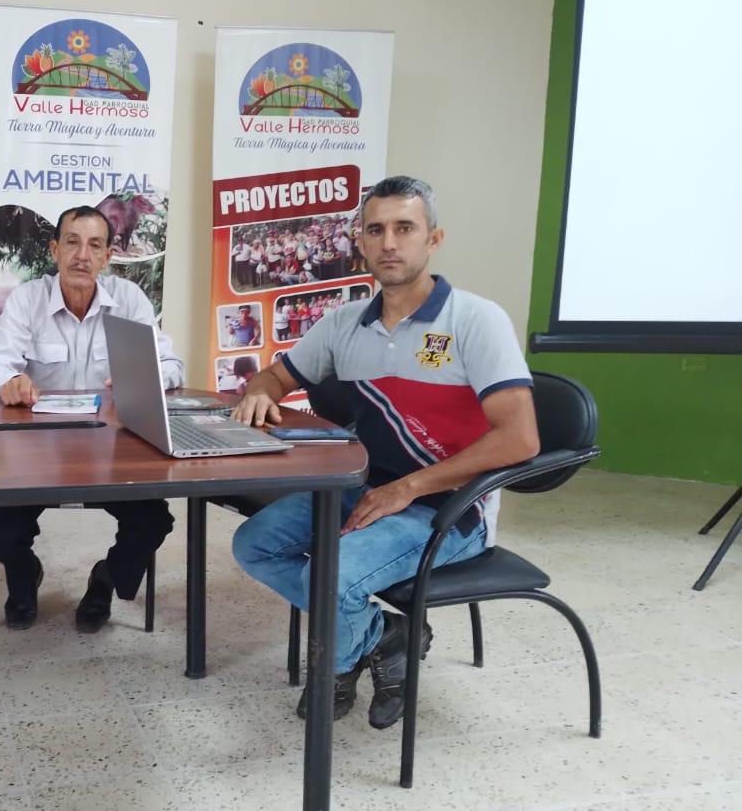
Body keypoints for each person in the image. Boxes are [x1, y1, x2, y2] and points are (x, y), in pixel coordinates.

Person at [230, 175, 538, 730]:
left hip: (450, 509)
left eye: (405, 228)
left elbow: (520, 438)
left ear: (433, 239)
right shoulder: (344, 323)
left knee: (334, 577)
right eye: (375, 230)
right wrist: (259, 392)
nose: (389, 243)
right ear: (361, 241)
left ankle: (337, 666)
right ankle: (386, 635)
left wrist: (407, 489)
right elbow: (276, 377)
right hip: (365, 490)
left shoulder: (476, 319)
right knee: (254, 545)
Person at [0, 205, 185, 632]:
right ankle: (24, 573)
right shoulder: (28, 299)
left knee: (152, 522)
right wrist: (9, 380)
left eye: (94, 245)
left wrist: (144, 376)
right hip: (35, 453)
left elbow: (172, 365)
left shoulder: (128, 300)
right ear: (55, 250)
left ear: (108, 257)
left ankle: (105, 580)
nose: (82, 255)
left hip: (112, 452)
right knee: (0, 528)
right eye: (72, 242)